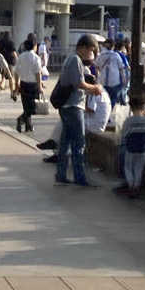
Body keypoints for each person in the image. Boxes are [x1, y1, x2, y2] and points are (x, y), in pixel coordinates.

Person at [55, 35, 102, 187]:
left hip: (67, 106)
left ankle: (61, 174)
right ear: (82, 47)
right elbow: (78, 83)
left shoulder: (72, 59)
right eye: (90, 50)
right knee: (79, 143)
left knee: (65, 142)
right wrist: (94, 88)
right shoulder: (75, 59)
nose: (91, 54)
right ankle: (80, 177)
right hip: (74, 106)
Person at [118, 95, 145, 198]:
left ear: (131, 107)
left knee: (128, 168)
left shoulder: (129, 121)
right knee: (138, 168)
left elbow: (124, 134)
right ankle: (136, 187)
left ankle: (131, 186)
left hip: (130, 148)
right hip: (142, 148)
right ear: (143, 106)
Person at [16, 38, 42, 134]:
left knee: (26, 106)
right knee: (32, 108)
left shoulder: (21, 56)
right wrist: (40, 86)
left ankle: (28, 126)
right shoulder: (36, 58)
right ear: (34, 46)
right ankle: (21, 119)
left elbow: (16, 72)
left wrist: (16, 85)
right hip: (33, 85)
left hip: (23, 84)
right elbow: (38, 73)